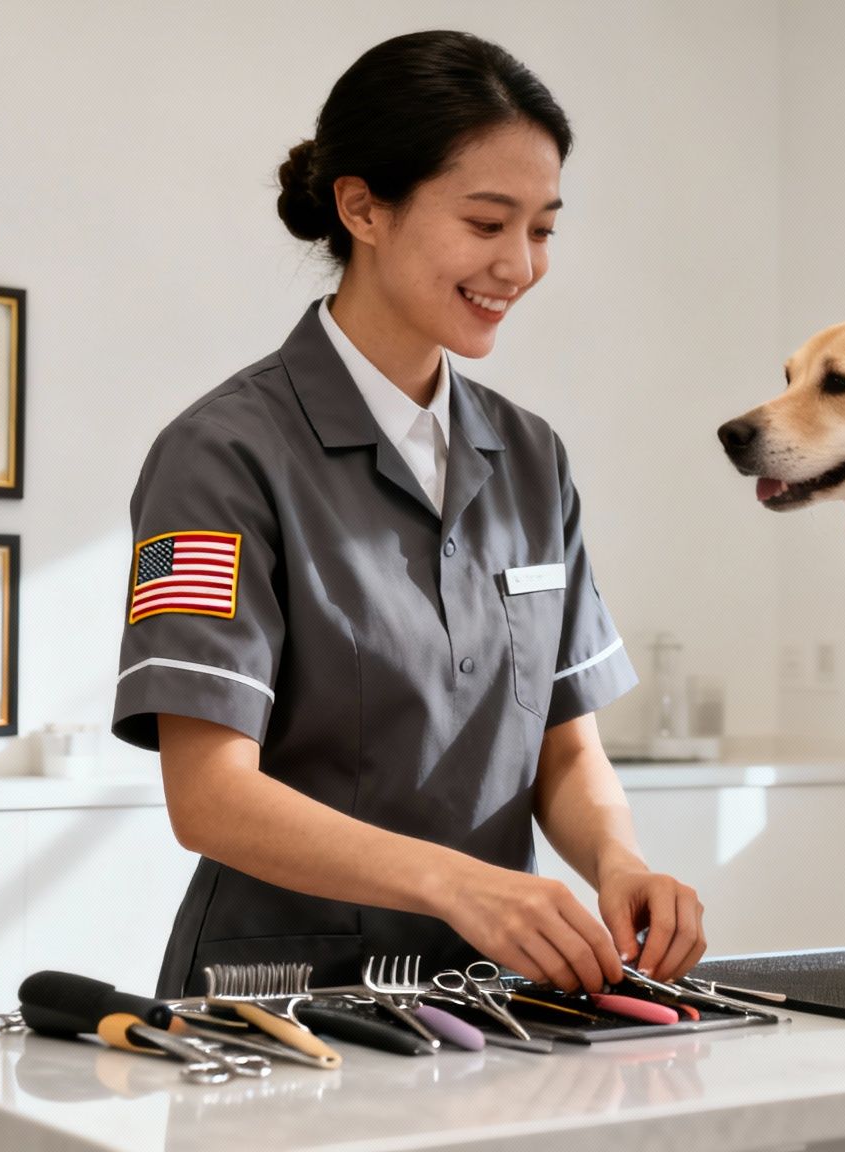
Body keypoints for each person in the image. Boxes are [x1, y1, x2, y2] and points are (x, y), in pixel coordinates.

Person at [112, 29, 705, 999]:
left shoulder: (529, 459)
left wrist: (617, 862)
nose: (519, 265)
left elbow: (565, 745)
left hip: (498, 997)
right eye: (485, 223)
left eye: (543, 228)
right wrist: (457, 884)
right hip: (280, 1005)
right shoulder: (220, 456)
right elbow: (209, 797)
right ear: (361, 207)